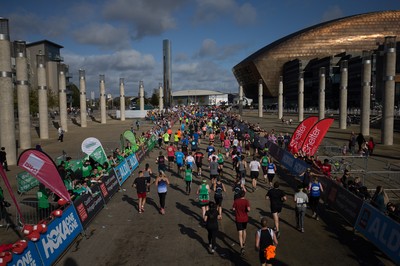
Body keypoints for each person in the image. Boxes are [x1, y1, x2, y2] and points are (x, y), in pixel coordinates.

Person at [232, 190, 250, 255]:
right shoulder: (246, 201)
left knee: (240, 232)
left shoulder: (236, 201)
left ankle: (242, 246)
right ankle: (244, 242)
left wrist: (237, 210)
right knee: (244, 230)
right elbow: (248, 209)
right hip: (245, 218)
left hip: (238, 218)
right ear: (244, 195)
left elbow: (233, 209)